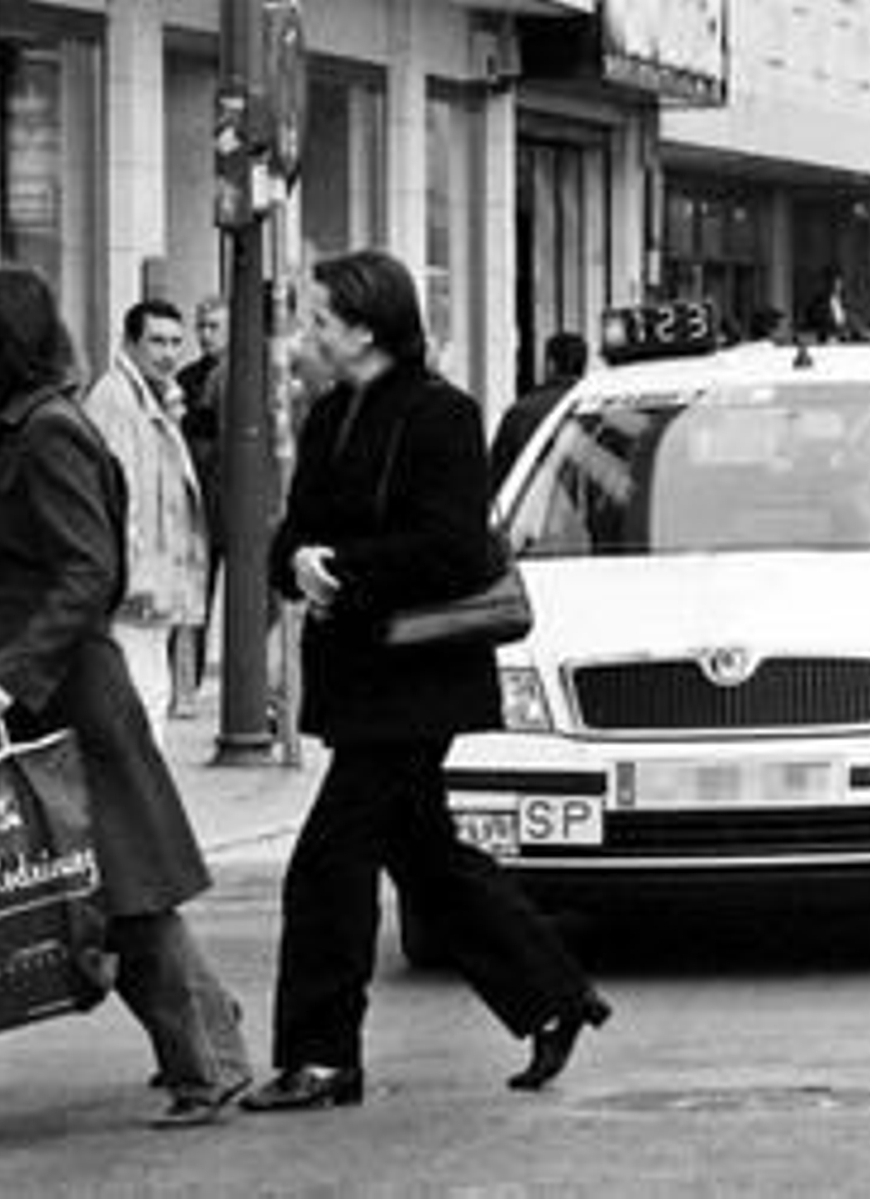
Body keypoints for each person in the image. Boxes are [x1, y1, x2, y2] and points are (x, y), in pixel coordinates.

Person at [243, 250, 608, 1114]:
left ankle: (323, 1057)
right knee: (423, 855)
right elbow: (288, 535)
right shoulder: (330, 414)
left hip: (419, 678)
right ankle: (553, 994)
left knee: (327, 864)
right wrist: (296, 562)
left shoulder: (443, 415)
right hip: (356, 675)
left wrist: (348, 571)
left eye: (320, 319)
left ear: (365, 327)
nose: (308, 334)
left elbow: (454, 548)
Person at [0, 265, 250, 1128]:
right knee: (80, 885)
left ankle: (211, 1060)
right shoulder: (3, 433)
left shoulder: (47, 434)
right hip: (26, 692)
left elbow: (90, 570)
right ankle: (211, 1043)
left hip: (65, 695)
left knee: (124, 892)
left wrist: (10, 673)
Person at [81, 300, 209, 744]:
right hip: (135, 589)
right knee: (139, 704)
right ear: (129, 343)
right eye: (157, 341)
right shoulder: (117, 401)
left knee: (150, 696)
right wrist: (128, 578)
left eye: (176, 342)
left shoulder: (154, 399)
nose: (169, 353)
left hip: (150, 586)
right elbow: (119, 502)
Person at [172, 295, 228, 716]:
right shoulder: (186, 379)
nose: (207, 335)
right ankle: (184, 686)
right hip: (200, 501)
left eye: (215, 326)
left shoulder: (250, 372)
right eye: (203, 326)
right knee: (194, 597)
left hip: (232, 500)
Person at [487, 331, 587, 493]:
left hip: (535, 513)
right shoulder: (599, 407)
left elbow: (496, 480)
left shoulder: (519, 413)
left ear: (550, 365)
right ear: (584, 365)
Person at [803, 265, 858, 343]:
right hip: (825, 346)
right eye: (832, 281)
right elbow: (813, 325)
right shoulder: (818, 304)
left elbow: (852, 324)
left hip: (846, 345)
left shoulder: (847, 301)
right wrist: (827, 336)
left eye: (839, 282)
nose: (836, 285)